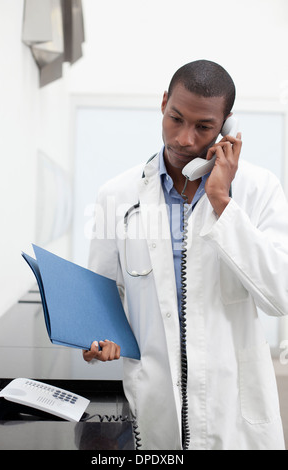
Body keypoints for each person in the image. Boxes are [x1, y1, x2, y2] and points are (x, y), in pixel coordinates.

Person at [82, 60, 288, 450]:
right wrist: (99, 339)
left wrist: (223, 203)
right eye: (176, 118)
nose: (184, 139)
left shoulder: (258, 190)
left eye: (204, 127)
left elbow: (280, 295)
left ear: (227, 126)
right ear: (163, 103)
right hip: (155, 402)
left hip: (234, 408)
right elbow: (104, 295)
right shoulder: (117, 195)